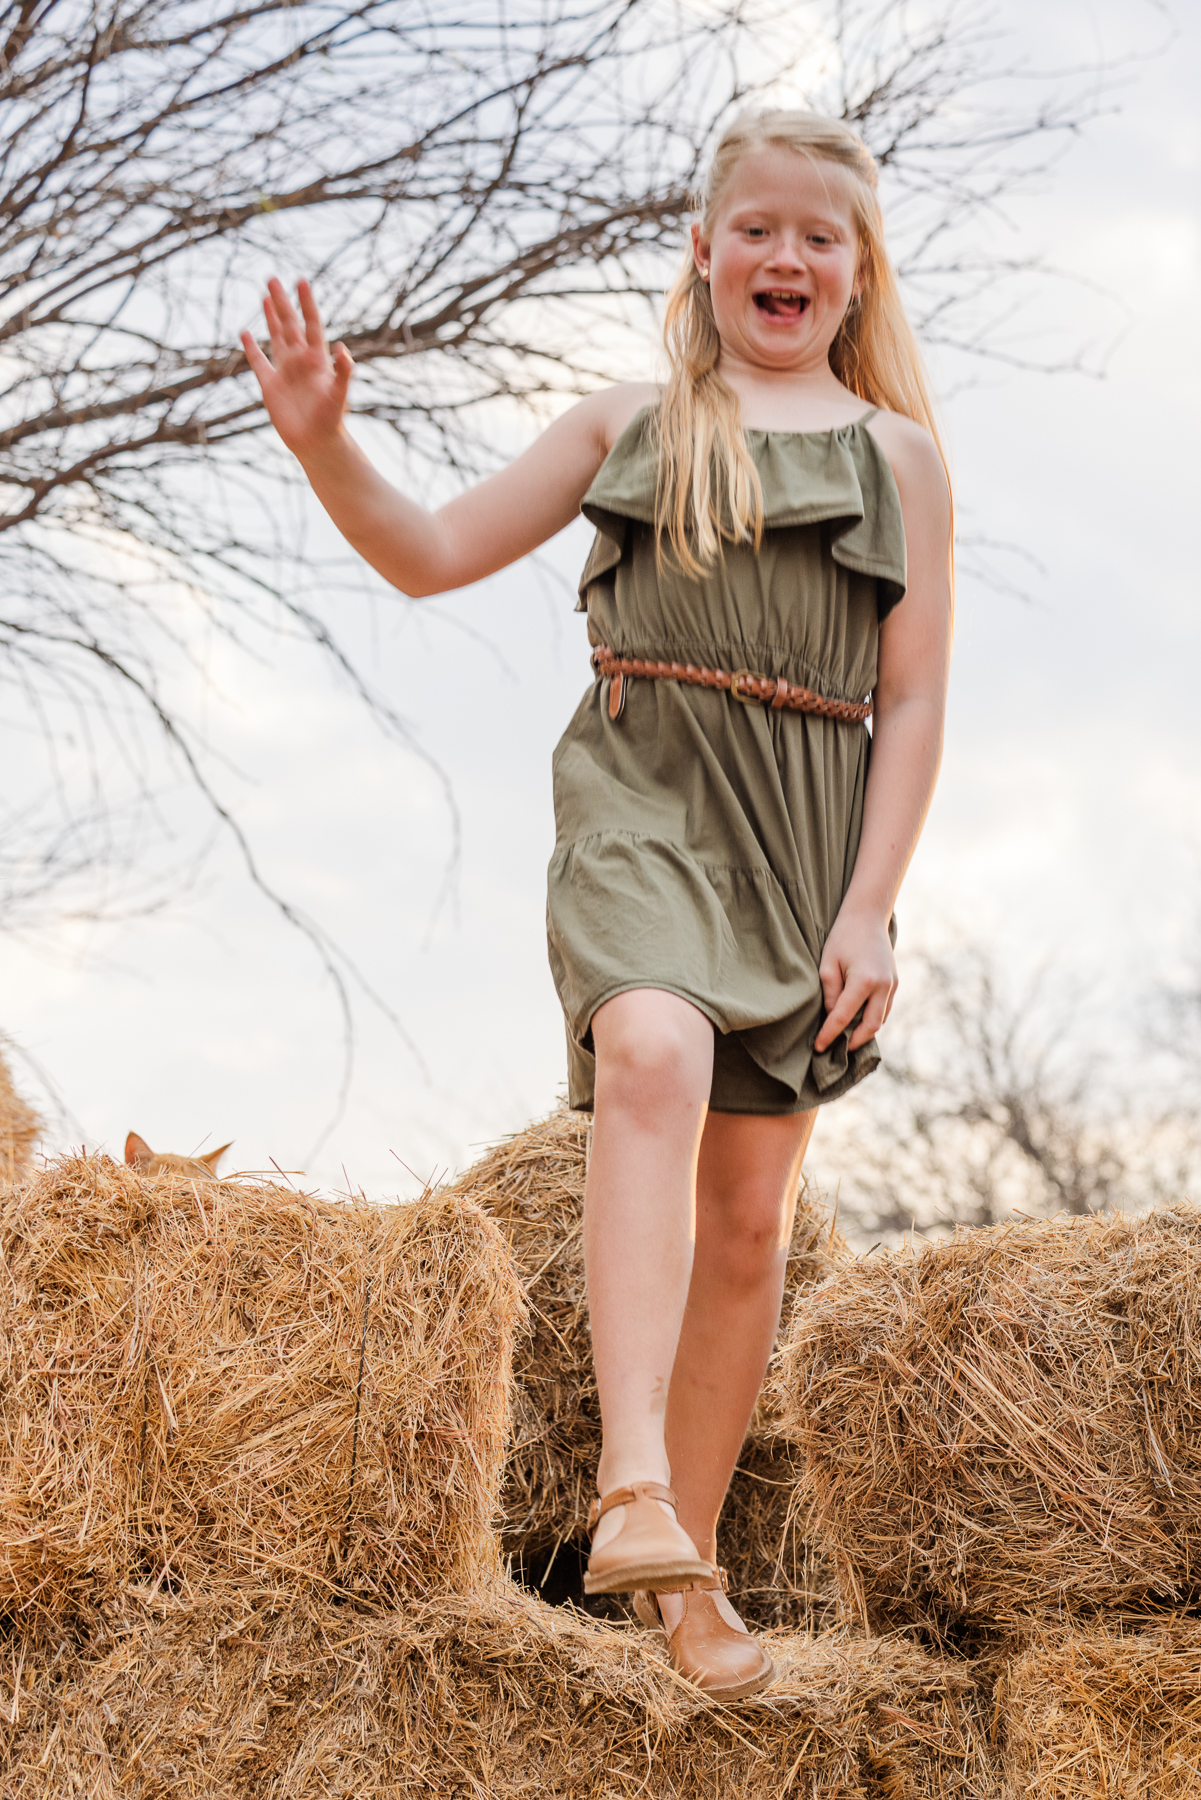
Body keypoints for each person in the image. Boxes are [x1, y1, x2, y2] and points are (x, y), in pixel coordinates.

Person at [243, 109, 952, 1702]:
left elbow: (909, 706)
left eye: (815, 236)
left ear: (853, 273)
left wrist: (872, 909)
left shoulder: (899, 461)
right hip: (642, 799)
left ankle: (680, 1581)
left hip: (805, 835)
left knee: (753, 1221)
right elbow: (426, 554)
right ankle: (630, 1473)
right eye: (752, 228)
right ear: (703, 252)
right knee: (649, 1053)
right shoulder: (627, 424)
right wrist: (323, 444)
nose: (782, 254)